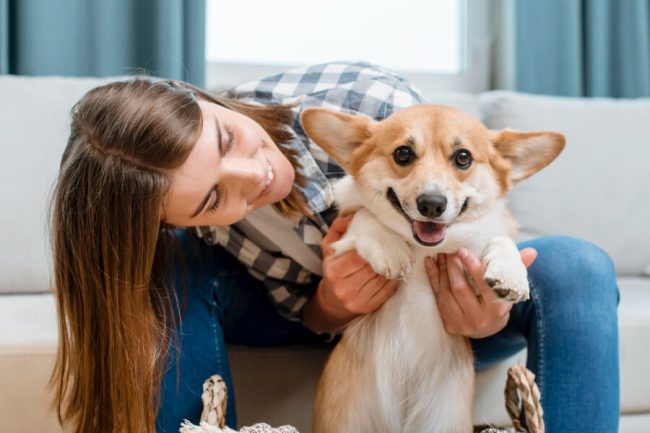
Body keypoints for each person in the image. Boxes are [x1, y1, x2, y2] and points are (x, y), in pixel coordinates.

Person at [49, 62, 619, 433]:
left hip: (441, 304)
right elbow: (304, 313)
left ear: (202, 98)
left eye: (226, 138)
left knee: (578, 266)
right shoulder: (184, 230)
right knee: (168, 268)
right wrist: (332, 304)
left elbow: (450, 196)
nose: (253, 175)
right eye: (213, 198)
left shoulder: (365, 104)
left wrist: (486, 318)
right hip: (305, 314)